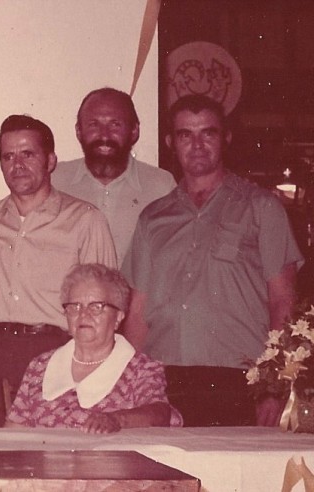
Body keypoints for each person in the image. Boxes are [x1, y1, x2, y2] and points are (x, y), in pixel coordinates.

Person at [122, 94, 304, 426]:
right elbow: (137, 312)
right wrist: (124, 386)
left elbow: (283, 301)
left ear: (226, 137)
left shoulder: (262, 207)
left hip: (240, 379)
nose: (197, 144)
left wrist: (274, 386)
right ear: (171, 142)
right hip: (161, 381)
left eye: (208, 133)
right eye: (185, 135)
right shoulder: (153, 217)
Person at [0, 114, 117, 427]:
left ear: (50, 160)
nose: (17, 165)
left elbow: (107, 303)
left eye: (28, 154)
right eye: (8, 156)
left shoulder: (84, 219)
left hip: (55, 348)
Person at [6, 264, 182, 432]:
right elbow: (14, 433)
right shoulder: (40, 366)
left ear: (119, 316)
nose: (83, 314)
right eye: (75, 306)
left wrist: (116, 420)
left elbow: (160, 413)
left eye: (96, 307)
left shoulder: (141, 369)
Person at [51, 88, 176, 263]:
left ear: (134, 131)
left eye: (115, 124)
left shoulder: (161, 186)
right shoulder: (55, 181)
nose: (104, 135)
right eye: (94, 124)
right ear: (78, 131)